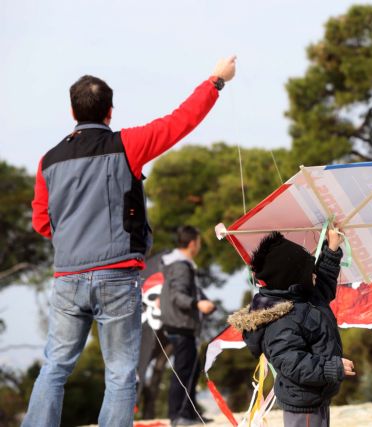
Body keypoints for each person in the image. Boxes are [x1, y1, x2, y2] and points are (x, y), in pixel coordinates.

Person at [24, 56, 236, 427]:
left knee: (55, 366)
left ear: (72, 112)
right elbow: (180, 121)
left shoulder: (48, 161)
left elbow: (42, 223)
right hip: (117, 276)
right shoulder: (127, 145)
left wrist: (75, 235)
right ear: (110, 111)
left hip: (67, 278)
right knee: (121, 372)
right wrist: (216, 81)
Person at [228, 228, 356, 427]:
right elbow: (292, 363)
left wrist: (331, 249)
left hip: (317, 393)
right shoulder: (282, 320)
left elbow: (324, 283)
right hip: (303, 401)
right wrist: (330, 367)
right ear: (294, 279)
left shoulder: (304, 297)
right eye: (309, 271)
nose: (314, 274)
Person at [160, 226, 216, 426]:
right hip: (181, 324)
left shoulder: (178, 265)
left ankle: (190, 413)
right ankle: (179, 416)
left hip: (178, 324)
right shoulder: (181, 266)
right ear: (193, 243)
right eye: (199, 242)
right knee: (184, 370)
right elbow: (178, 295)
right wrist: (197, 304)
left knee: (191, 367)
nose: (199, 246)